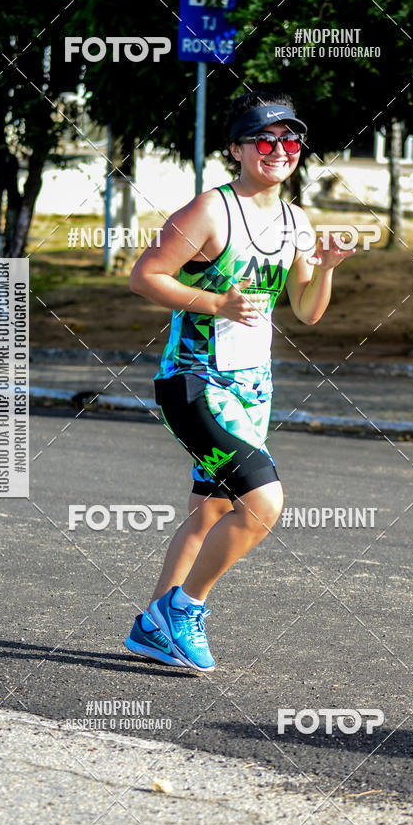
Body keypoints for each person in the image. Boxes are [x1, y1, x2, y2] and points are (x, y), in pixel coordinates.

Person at [125, 88, 354, 672]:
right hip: (194, 382)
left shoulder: (296, 219)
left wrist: (323, 270)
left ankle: (153, 627)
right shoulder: (209, 210)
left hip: (253, 387)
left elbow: (306, 310)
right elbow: (145, 276)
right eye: (265, 139)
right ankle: (183, 609)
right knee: (262, 503)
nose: (280, 149)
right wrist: (215, 303)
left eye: (291, 139)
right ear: (237, 149)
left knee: (209, 512)